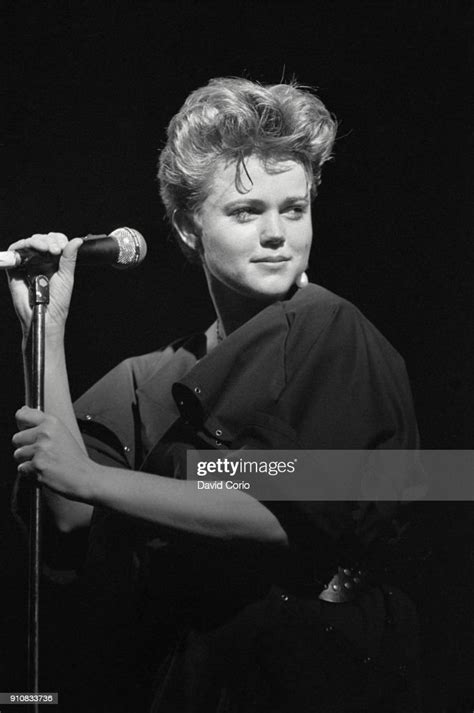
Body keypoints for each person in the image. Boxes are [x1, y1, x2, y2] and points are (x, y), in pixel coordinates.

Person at [9, 78, 423, 712]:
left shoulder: (328, 325)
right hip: (196, 676)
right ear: (187, 225)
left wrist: (89, 479)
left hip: (315, 670)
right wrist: (45, 327)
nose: (278, 233)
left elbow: (283, 516)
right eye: (245, 211)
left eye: (294, 207)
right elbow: (66, 510)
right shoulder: (148, 374)